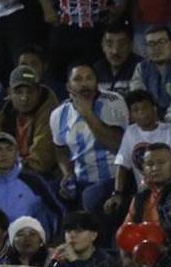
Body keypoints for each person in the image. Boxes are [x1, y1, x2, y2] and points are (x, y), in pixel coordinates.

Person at [51, 62, 128, 212]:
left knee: (90, 196)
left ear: (96, 82)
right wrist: (68, 175)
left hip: (114, 179)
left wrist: (87, 114)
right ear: (68, 86)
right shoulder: (58, 114)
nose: (84, 84)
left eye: (89, 78)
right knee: (51, 192)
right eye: (78, 79)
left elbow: (117, 145)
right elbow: (60, 150)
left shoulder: (113, 101)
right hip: (81, 180)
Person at [0, 65, 58, 178]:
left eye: (30, 92)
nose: (24, 98)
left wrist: (7, 166)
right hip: (7, 174)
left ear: (39, 92)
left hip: (41, 177)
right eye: (18, 92)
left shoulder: (51, 115)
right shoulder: (2, 117)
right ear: (9, 93)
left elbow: (42, 161)